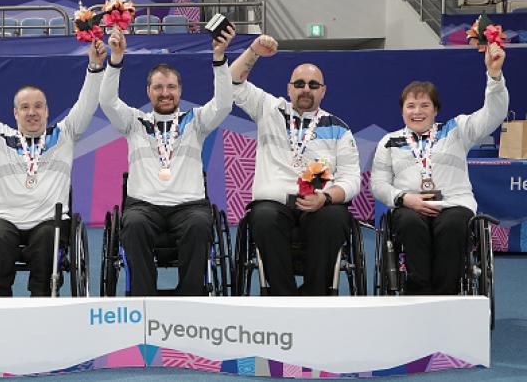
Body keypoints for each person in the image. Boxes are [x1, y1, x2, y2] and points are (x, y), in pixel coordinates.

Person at [0, 36, 106, 297]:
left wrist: (94, 68)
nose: (32, 112)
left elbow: (87, 103)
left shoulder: (65, 135)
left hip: (48, 221)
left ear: (47, 111)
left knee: (48, 240)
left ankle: (41, 305)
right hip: (7, 221)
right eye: (24, 107)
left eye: (38, 106)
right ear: (15, 113)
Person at [99, 26, 235, 296]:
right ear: (148, 91)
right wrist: (115, 59)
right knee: (134, 225)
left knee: (199, 225)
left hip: (188, 206)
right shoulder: (134, 121)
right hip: (144, 206)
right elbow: (107, 101)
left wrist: (219, 58)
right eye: (158, 87)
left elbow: (223, 104)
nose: (165, 93)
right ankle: (144, 300)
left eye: (171, 87)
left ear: (180, 91)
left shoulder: (196, 121)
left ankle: (190, 299)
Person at [370, 43, 508, 295]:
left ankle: (446, 295)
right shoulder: (389, 141)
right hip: (410, 205)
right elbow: (378, 184)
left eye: (424, 105)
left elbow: (494, 114)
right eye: (410, 106)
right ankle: (419, 292)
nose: (417, 111)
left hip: (454, 204)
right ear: (402, 111)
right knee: (409, 223)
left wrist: (494, 76)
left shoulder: (456, 129)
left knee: (453, 225)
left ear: (435, 109)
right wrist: (404, 198)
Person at [229, 34, 361, 296]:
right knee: (263, 218)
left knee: (335, 218)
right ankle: (283, 298)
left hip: (320, 204)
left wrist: (325, 197)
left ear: (323, 90)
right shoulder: (269, 109)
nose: (306, 89)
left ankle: (315, 297)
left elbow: (352, 179)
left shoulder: (339, 128)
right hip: (274, 204)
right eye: (299, 84)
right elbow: (232, 81)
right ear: (289, 88)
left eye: (313, 85)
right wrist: (254, 51)